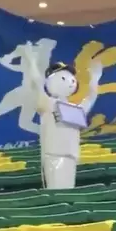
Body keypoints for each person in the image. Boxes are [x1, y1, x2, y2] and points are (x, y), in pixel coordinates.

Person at [24, 43, 102, 189]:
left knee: (68, 187)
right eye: (63, 78)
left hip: (71, 154)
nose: (71, 82)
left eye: (72, 80)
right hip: (53, 152)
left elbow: (90, 98)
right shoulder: (48, 103)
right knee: (56, 187)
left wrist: (95, 80)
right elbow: (37, 84)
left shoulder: (75, 109)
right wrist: (32, 62)